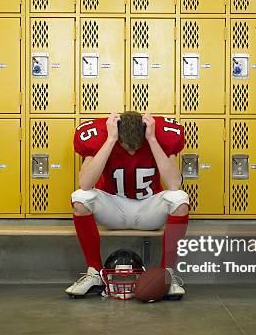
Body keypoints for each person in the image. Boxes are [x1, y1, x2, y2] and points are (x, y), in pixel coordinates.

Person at [66, 111, 190, 297]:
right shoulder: (101, 136)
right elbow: (85, 183)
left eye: (137, 147)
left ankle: (168, 275)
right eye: (127, 147)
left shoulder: (160, 136)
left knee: (180, 199)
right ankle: (95, 273)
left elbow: (174, 184)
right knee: (80, 198)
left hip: (149, 208)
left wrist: (152, 139)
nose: (132, 152)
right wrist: (110, 140)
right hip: (113, 207)